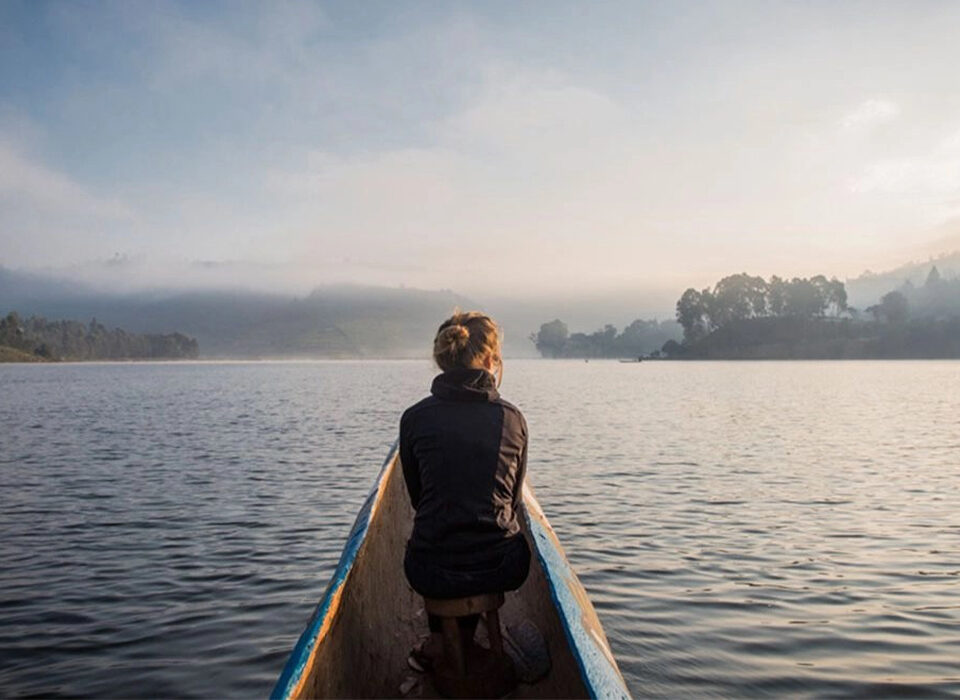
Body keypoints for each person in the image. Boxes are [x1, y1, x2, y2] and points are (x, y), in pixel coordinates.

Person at [399, 310, 531, 671]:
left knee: (439, 542)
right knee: (479, 542)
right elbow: (514, 502)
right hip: (504, 566)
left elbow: (416, 497)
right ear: (490, 360)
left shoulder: (414, 419)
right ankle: (459, 641)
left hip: (429, 569)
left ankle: (441, 640)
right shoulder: (512, 418)